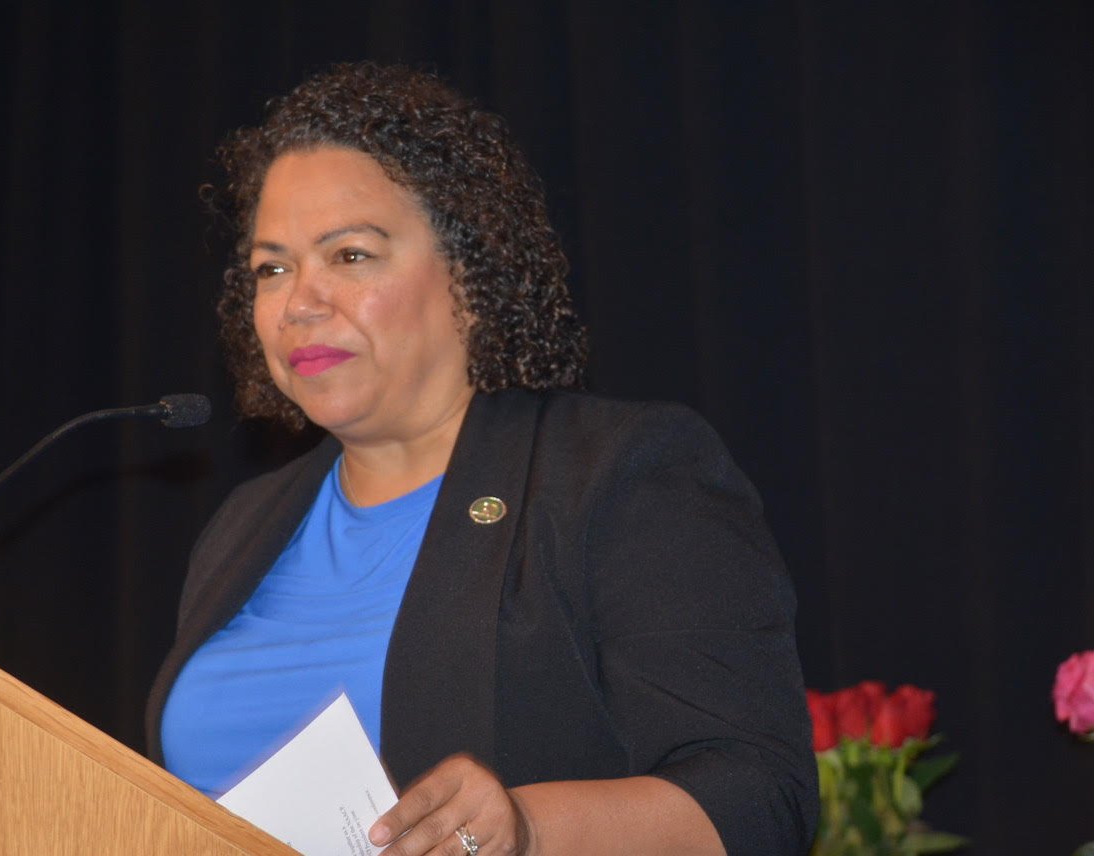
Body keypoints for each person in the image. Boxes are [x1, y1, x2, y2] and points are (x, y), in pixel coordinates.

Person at [146, 62, 817, 855]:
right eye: (273, 268)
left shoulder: (615, 473)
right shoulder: (245, 526)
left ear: (470, 270)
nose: (299, 301)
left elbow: (758, 797)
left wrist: (529, 830)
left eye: (351, 256)